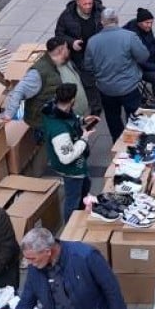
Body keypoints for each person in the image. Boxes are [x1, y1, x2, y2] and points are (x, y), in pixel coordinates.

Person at [9, 227, 126, 309]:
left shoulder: (85, 256)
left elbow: (111, 287)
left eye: (32, 258)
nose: (29, 263)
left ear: (48, 252)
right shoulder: (35, 268)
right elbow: (26, 302)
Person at [84, 7, 150, 140]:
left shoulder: (92, 42)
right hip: (129, 87)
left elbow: (88, 66)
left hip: (106, 89)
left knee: (113, 119)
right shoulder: (129, 36)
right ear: (117, 20)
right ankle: (135, 143)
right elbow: (143, 56)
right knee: (134, 119)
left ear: (102, 22)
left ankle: (118, 144)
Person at [42, 83, 98, 221]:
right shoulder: (59, 132)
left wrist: (82, 120)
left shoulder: (56, 109)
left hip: (79, 165)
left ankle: (83, 210)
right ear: (72, 100)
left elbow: (69, 119)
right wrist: (84, 139)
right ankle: (70, 227)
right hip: (72, 170)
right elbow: (67, 157)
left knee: (85, 185)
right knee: (72, 200)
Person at [55, 0, 104, 116]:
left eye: (90, 3)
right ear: (78, 2)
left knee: (103, 76)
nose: (88, 7)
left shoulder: (100, 11)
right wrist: (72, 43)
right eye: (85, 4)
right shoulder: (67, 16)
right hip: (81, 55)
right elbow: (59, 35)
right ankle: (96, 106)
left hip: (99, 53)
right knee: (88, 82)